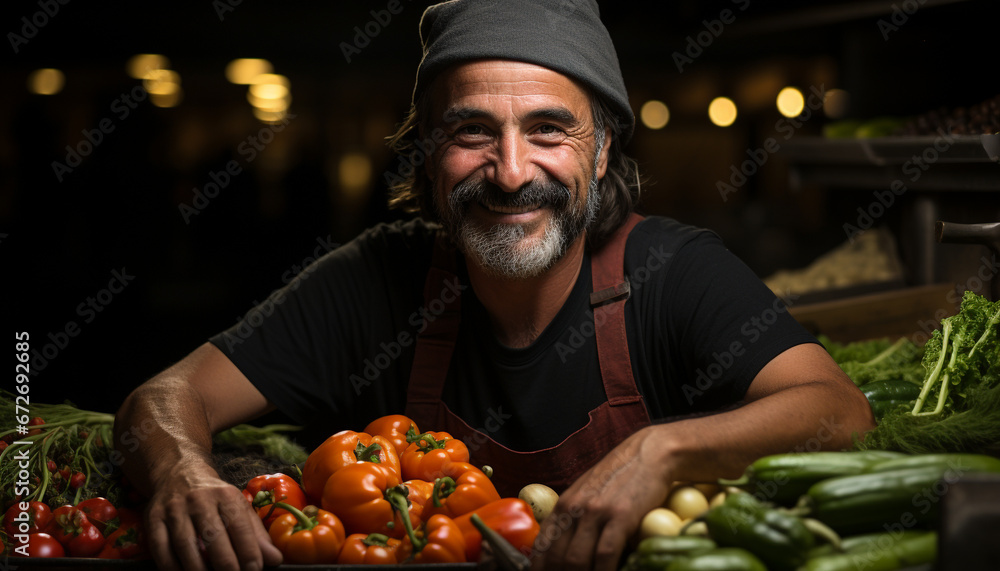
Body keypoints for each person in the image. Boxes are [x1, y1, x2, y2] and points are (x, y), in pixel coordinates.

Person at [114, 1, 875, 570]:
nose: (512, 172)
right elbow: (162, 398)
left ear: (602, 151)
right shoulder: (373, 280)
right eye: (472, 132)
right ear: (428, 153)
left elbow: (839, 410)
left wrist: (666, 450)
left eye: (549, 130)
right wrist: (182, 469)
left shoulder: (675, 274)